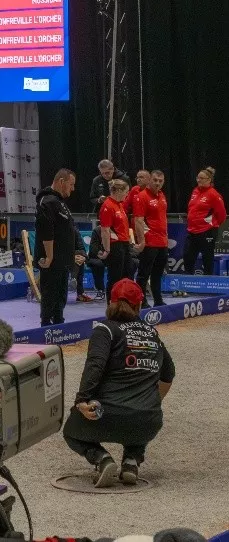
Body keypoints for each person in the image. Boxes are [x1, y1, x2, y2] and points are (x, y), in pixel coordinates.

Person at [63, 279, 174, 487]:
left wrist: (82, 400)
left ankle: (102, 459)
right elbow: (169, 374)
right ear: (139, 305)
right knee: (138, 416)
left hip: (106, 414)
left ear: (109, 302)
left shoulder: (105, 329)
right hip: (148, 421)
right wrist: (151, 402)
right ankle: (131, 461)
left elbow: (95, 366)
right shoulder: (152, 333)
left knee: (70, 431)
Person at [34, 169, 83, 327]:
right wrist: (49, 257)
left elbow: (68, 231)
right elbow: (45, 230)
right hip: (51, 260)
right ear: (61, 182)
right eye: (71, 184)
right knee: (50, 294)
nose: (73, 188)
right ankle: (46, 326)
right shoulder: (47, 201)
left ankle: (58, 322)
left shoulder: (60, 203)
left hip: (62, 261)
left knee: (61, 294)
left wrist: (74, 253)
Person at [182, 166, 226, 275]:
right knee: (187, 256)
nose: (199, 180)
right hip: (192, 231)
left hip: (207, 231)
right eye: (198, 178)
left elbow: (222, 215)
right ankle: (188, 283)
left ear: (209, 180)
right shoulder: (195, 191)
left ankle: (208, 285)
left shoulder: (214, 195)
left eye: (202, 178)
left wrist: (212, 224)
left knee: (207, 259)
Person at [134, 170, 168, 307]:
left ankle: (158, 301)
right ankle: (142, 302)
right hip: (149, 242)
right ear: (149, 181)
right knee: (143, 274)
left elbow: (163, 219)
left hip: (162, 241)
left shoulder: (162, 195)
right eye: (155, 180)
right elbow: (138, 221)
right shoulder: (141, 196)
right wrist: (142, 241)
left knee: (158, 274)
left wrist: (166, 237)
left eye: (160, 181)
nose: (158, 183)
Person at [98, 179, 132, 300]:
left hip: (124, 243)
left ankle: (124, 303)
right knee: (115, 278)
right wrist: (107, 250)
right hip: (115, 246)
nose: (127, 195)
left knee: (127, 275)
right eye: (126, 192)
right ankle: (111, 307)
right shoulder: (107, 206)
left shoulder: (120, 205)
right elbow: (105, 230)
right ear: (118, 191)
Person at [85, 226, 107, 300]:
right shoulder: (97, 230)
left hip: (112, 254)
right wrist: (103, 253)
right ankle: (100, 290)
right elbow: (93, 248)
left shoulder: (116, 229)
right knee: (97, 263)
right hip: (99, 256)